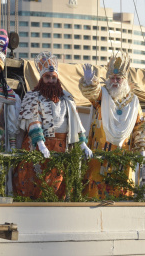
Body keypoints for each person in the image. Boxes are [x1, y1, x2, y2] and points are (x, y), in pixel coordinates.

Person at [12, 51, 92, 199]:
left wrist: (83, 144)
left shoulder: (67, 98)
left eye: (53, 77)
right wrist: (41, 143)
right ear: (42, 78)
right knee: (33, 182)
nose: (50, 80)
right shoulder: (32, 96)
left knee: (59, 185)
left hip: (62, 147)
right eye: (47, 77)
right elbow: (32, 119)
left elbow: (75, 123)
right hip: (38, 146)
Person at [79, 51, 145, 199]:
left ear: (125, 79)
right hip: (99, 154)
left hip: (123, 156)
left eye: (118, 78)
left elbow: (140, 127)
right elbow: (92, 93)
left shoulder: (134, 101)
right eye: (112, 78)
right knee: (95, 189)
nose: (115, 81)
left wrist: (142, 148)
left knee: (122, 191)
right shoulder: (102, 96)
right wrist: (89, 82)